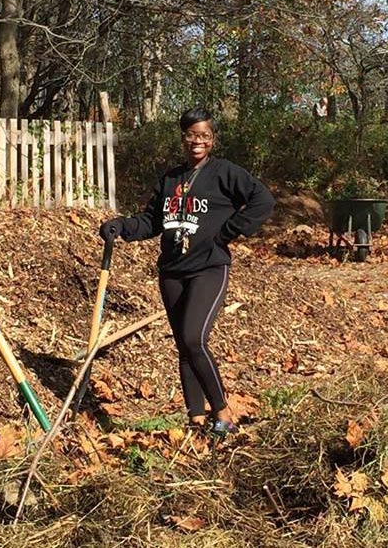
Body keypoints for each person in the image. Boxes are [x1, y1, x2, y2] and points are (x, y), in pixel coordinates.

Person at [100, 109, 275, 435]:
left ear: (213, 139)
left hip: (208, 267)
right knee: (184, 344)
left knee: (194, 339)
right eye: (192, 135)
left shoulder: (225, 173)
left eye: (204, 135)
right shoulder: (170, 179)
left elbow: (262, 199)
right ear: (183, 137)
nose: (198, 141)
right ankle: (196, 418)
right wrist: (121, 226)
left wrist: (228, 232)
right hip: (171, 271)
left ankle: (222, 413)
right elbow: (152, 221)